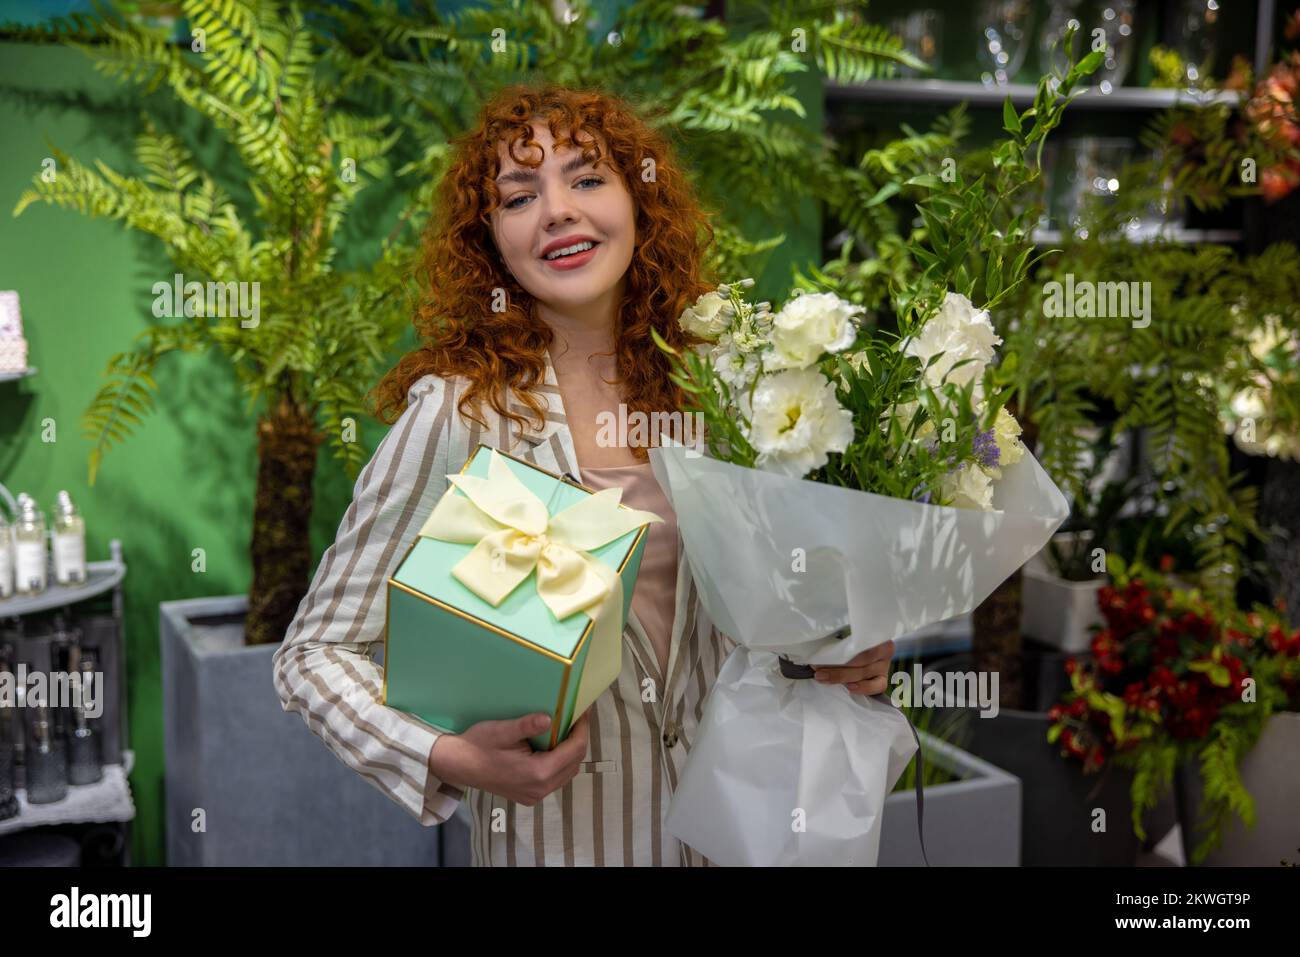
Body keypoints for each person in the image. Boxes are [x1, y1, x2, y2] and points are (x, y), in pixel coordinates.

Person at [272, 83, 895, 866]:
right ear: (490, 239)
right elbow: (312, 656)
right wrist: (451, 756)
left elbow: (760, 621)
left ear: (639, 200)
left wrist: (843, 647)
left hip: (738, 833)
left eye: (588, 178)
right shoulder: (464, 415)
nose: (558, 209)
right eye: (520, 195)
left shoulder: (725, 387)